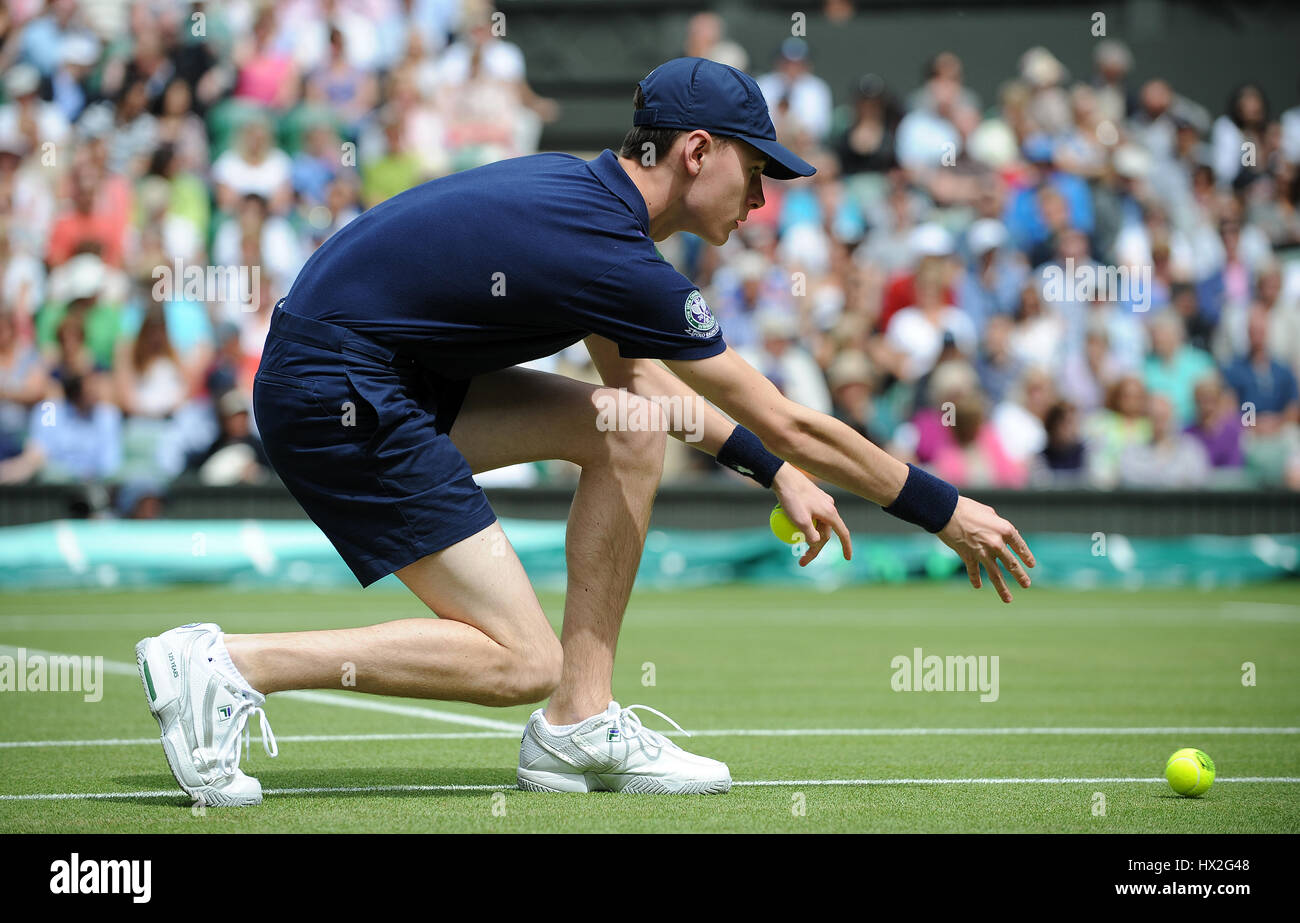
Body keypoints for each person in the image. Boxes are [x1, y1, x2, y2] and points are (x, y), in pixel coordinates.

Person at [135, 58, 1034, 808]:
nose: (761, 200)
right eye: (757, 171)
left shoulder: (593, 210)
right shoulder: (611, 251)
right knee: (517, 657)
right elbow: (790, 415)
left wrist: (776, 476)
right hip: (336, 387)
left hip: (364, 372)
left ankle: (576, 722)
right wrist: (943, 510)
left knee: (628, 431)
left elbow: (641, 389)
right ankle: (230, 664)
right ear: (696, 152)